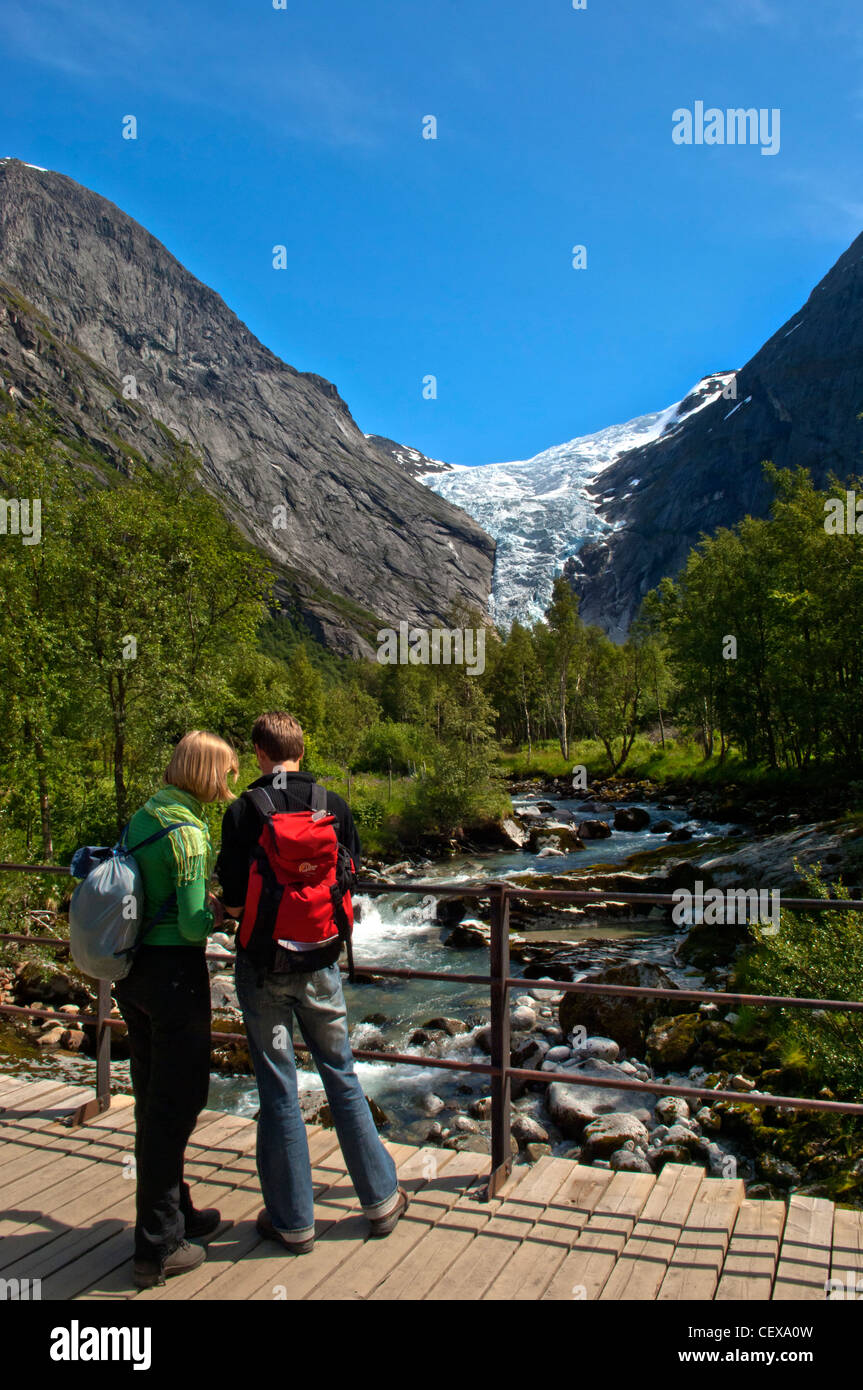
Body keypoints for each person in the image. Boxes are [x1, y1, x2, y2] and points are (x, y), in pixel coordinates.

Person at [217, 710, 407, 1254]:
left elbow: (233, 899)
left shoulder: (243, 810)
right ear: (302, 749)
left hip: (262, 966)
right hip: (321, 960)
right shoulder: (333, 806)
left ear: (259, 752)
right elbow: (351, 876)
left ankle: (294, 1222)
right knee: (342, 1075)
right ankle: (381, 1200)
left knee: (278, 1089)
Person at [114, 730, 237, 1289]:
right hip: (174, 978)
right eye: (226, 773)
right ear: (207, 772)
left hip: (132, 972)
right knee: (180, 1103)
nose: (230, 782)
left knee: (151, 1095)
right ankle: (158, 1246)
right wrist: (220, 914)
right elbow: (190, 923)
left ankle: (177, 1212)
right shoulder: (188, 833)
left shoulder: (146, 814)